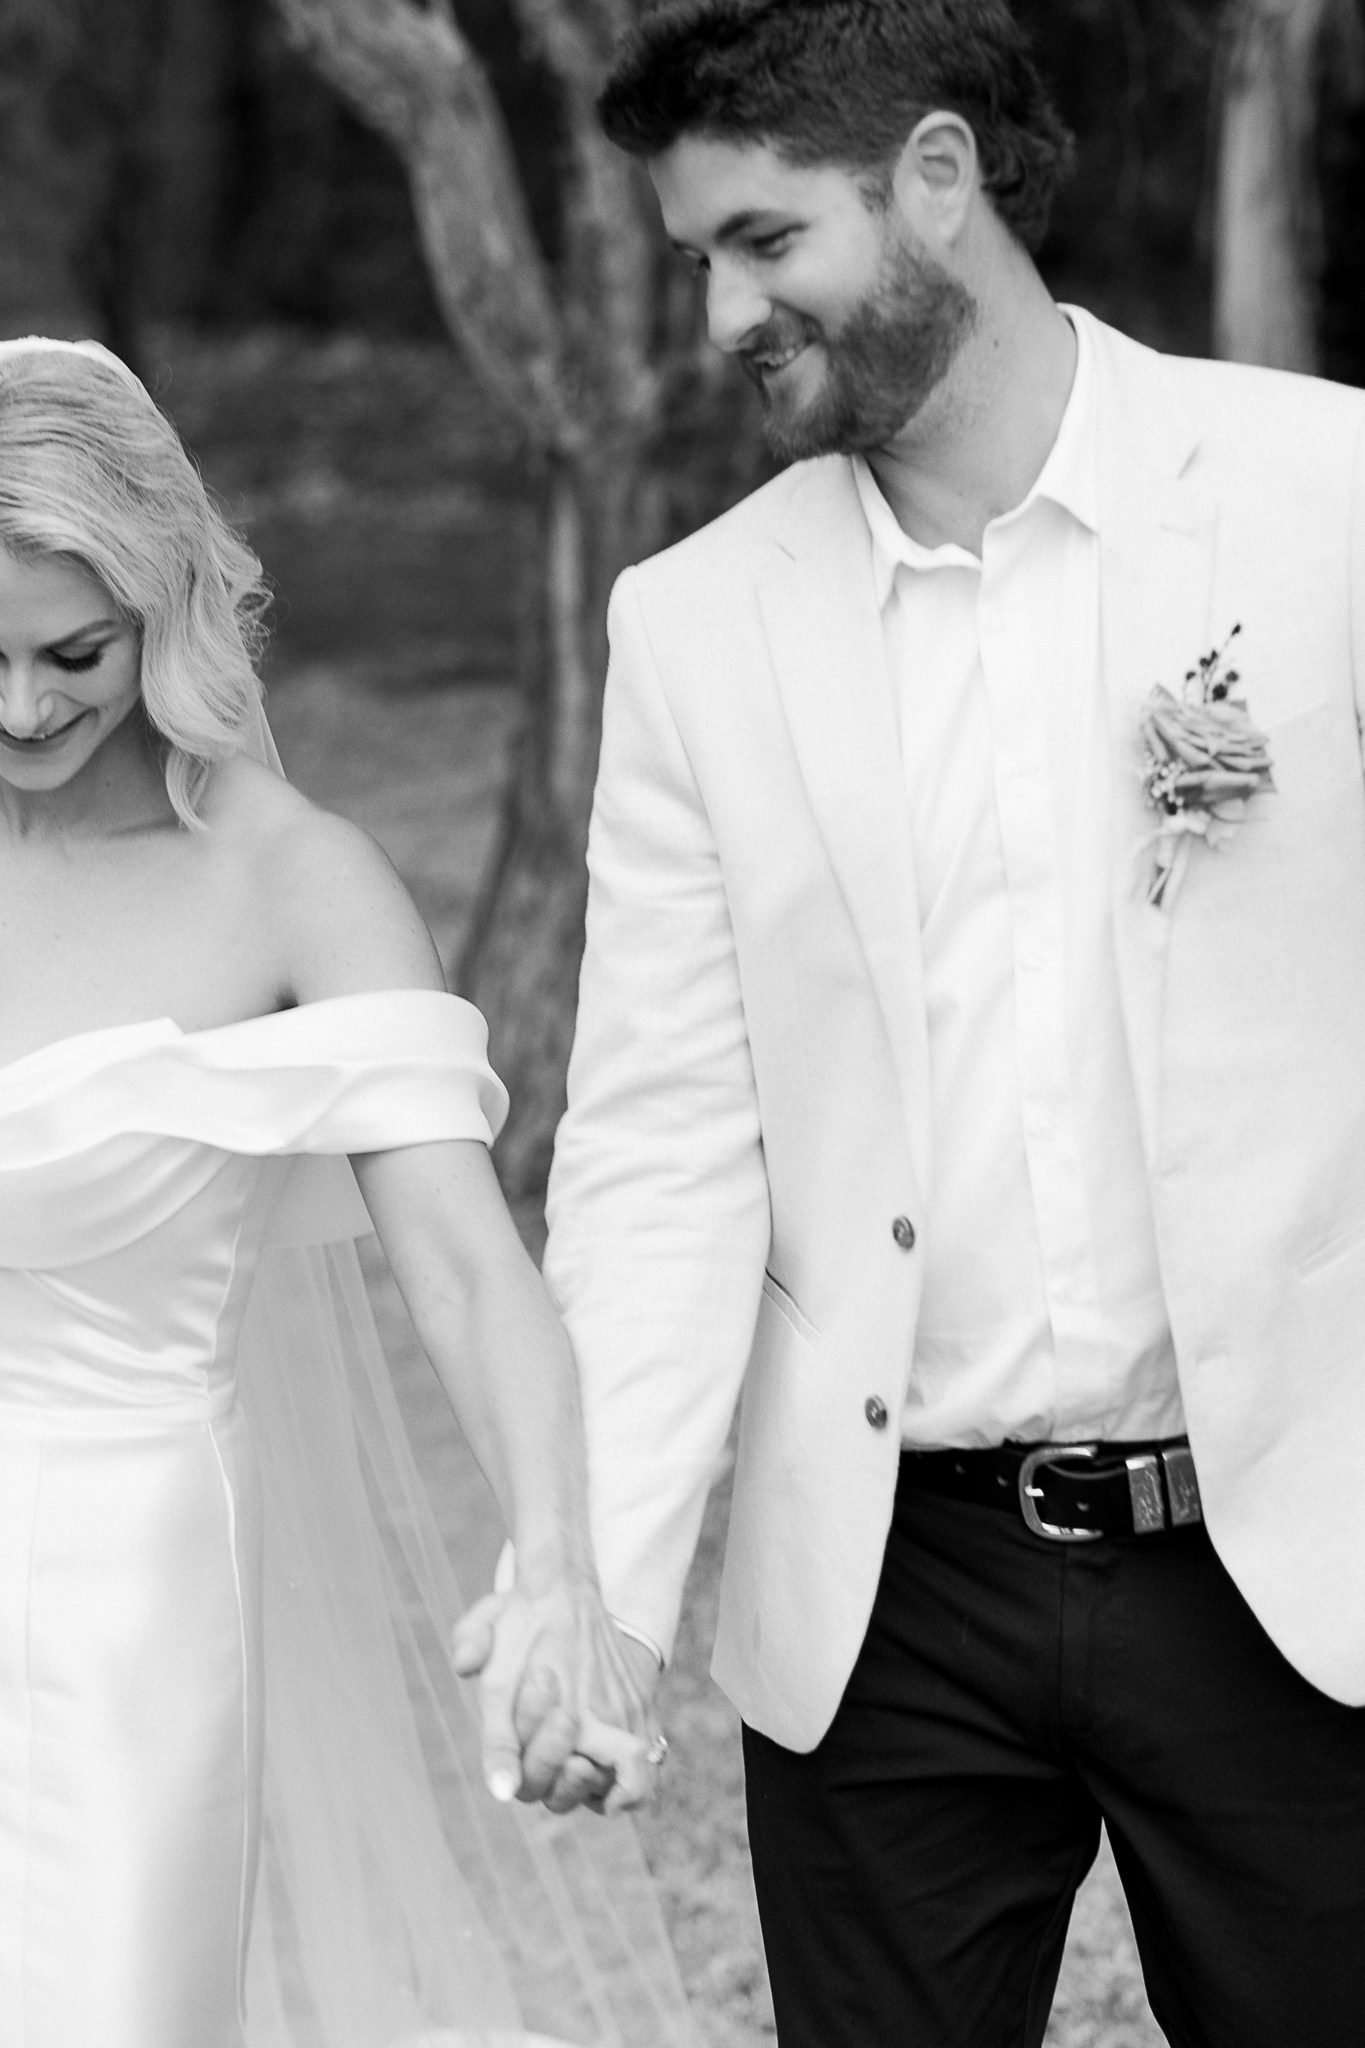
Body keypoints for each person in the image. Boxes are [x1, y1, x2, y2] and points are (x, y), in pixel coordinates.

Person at [538, 3, 1365, 2043]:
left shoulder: (1324, 496)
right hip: (888, 1590)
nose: (719, 309)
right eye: (693, 263)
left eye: (757, 239)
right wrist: (604, 1590)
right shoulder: (692, 623)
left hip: (1295, 1549)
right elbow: (657, 1144)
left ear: (930, 180)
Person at [0, 336, 692, 2048]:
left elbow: (462, 1267)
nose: (20, 709)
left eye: (71, 653)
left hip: (109, 1606)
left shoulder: (293, 880)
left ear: (165, 608)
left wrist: (555, 1563)